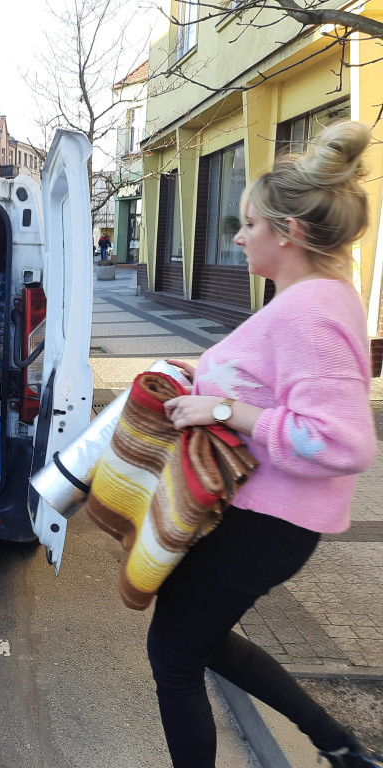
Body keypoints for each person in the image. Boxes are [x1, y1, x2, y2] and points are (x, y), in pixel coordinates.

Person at [153, 121, 382, 767]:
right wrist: (204, 382)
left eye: (249, 223)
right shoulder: (314, 299)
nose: (237, 235)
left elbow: (342, 442)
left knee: (172, 657)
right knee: (203, 639)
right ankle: (339, 745)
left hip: (268, 524)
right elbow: (279, 389)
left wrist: (225, 406)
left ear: (290, 232)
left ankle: (338, 744)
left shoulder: (311, 309)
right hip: (263, 518)